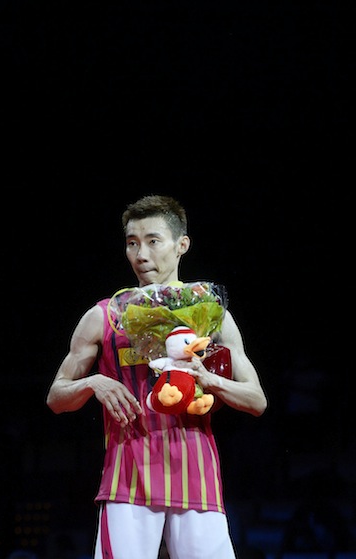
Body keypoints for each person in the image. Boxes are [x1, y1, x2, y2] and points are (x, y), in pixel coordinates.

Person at [45, 194, 267, 559]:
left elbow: (256, 400)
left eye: (152, 241)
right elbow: (57, 397)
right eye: (132, 243)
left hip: (198, 479)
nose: (140, 254)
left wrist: (209, 380)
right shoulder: (104, 316)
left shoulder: (213, 315)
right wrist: (92, 383)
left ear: (182, 245)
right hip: (126, 482)